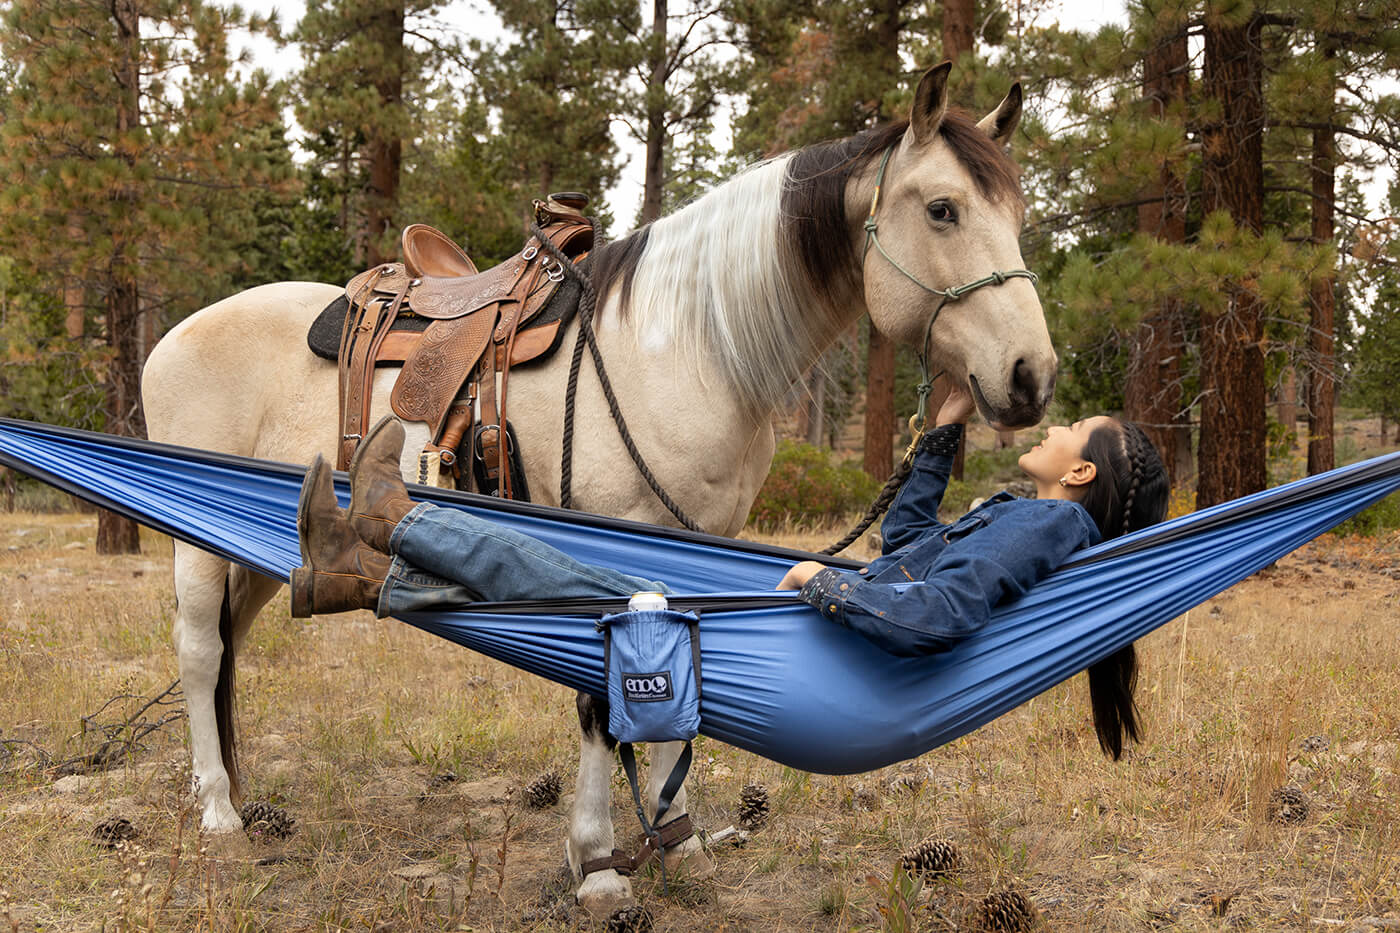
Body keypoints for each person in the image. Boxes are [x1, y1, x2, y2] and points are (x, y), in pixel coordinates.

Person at [291, 386, 1168, 758]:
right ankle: (363, 576)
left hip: (806, 655)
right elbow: (905, 551)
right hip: (816, 656)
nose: (1051, 430)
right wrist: (938, 435)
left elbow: (935, 613)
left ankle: (396, 519)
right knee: (582, 589)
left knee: (582, 581)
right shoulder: (1041, 522)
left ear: (1080, 473)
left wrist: (820, 585)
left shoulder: (1048, 521)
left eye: (1070, 431)